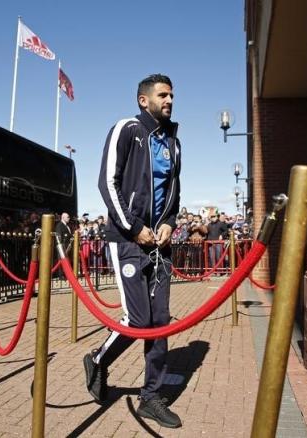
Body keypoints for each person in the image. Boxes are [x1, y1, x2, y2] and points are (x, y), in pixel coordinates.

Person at [84, 74, 182, 428]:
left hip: (161, 246)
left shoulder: (173, 142)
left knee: (159, 322)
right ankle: (98, 359)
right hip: (127, 240)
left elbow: (174, 192)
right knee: (137, 320)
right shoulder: (127, 129)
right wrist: (133, 227)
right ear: (144, 100)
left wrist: (170, 221)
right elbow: (107, 182)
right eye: (163, 94)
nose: (170, 99)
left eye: (172, 94)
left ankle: (151, 397)